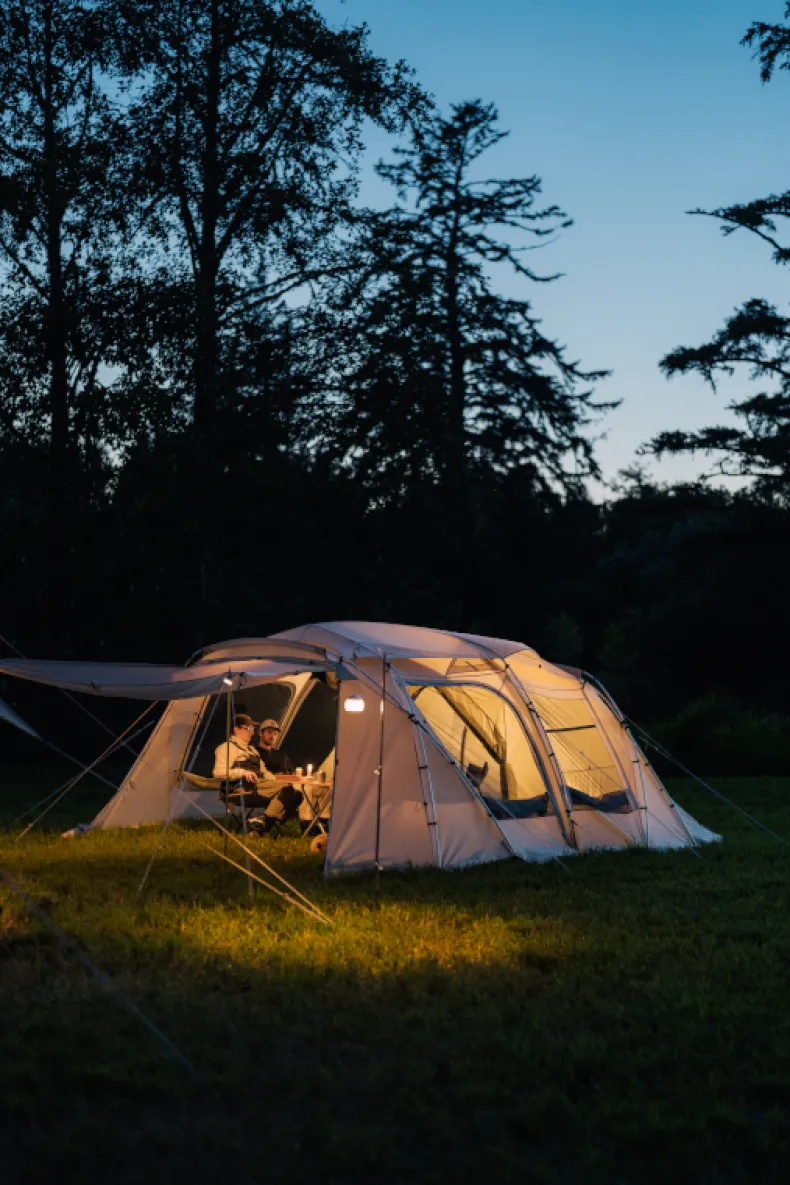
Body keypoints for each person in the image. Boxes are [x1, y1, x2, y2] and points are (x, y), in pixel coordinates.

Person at [213, 713, 300, 835]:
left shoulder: (252, 750)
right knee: (287, 789)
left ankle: (260, 827)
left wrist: (279, 779)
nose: (252, 732)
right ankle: (264, 823)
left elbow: (266, 774)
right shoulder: (227, 747)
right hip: (240, 789)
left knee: (293, 791)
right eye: (248, 728)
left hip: (260, 786)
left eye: (252, 729)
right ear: (236, 729)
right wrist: (242, 772)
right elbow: (218, 772)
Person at [258, 718, 330, 837]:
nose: (272, 736)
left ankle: (324, 823)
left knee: (323, 789)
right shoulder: (256, 753)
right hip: (274, 785)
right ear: (261, 733)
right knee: (305, 789)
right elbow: (262, 774)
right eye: (269, 732)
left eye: (275, 734)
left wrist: (294, 775)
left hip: (290, 781)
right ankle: (306, 824)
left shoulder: (280, 754)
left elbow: (292, 771)